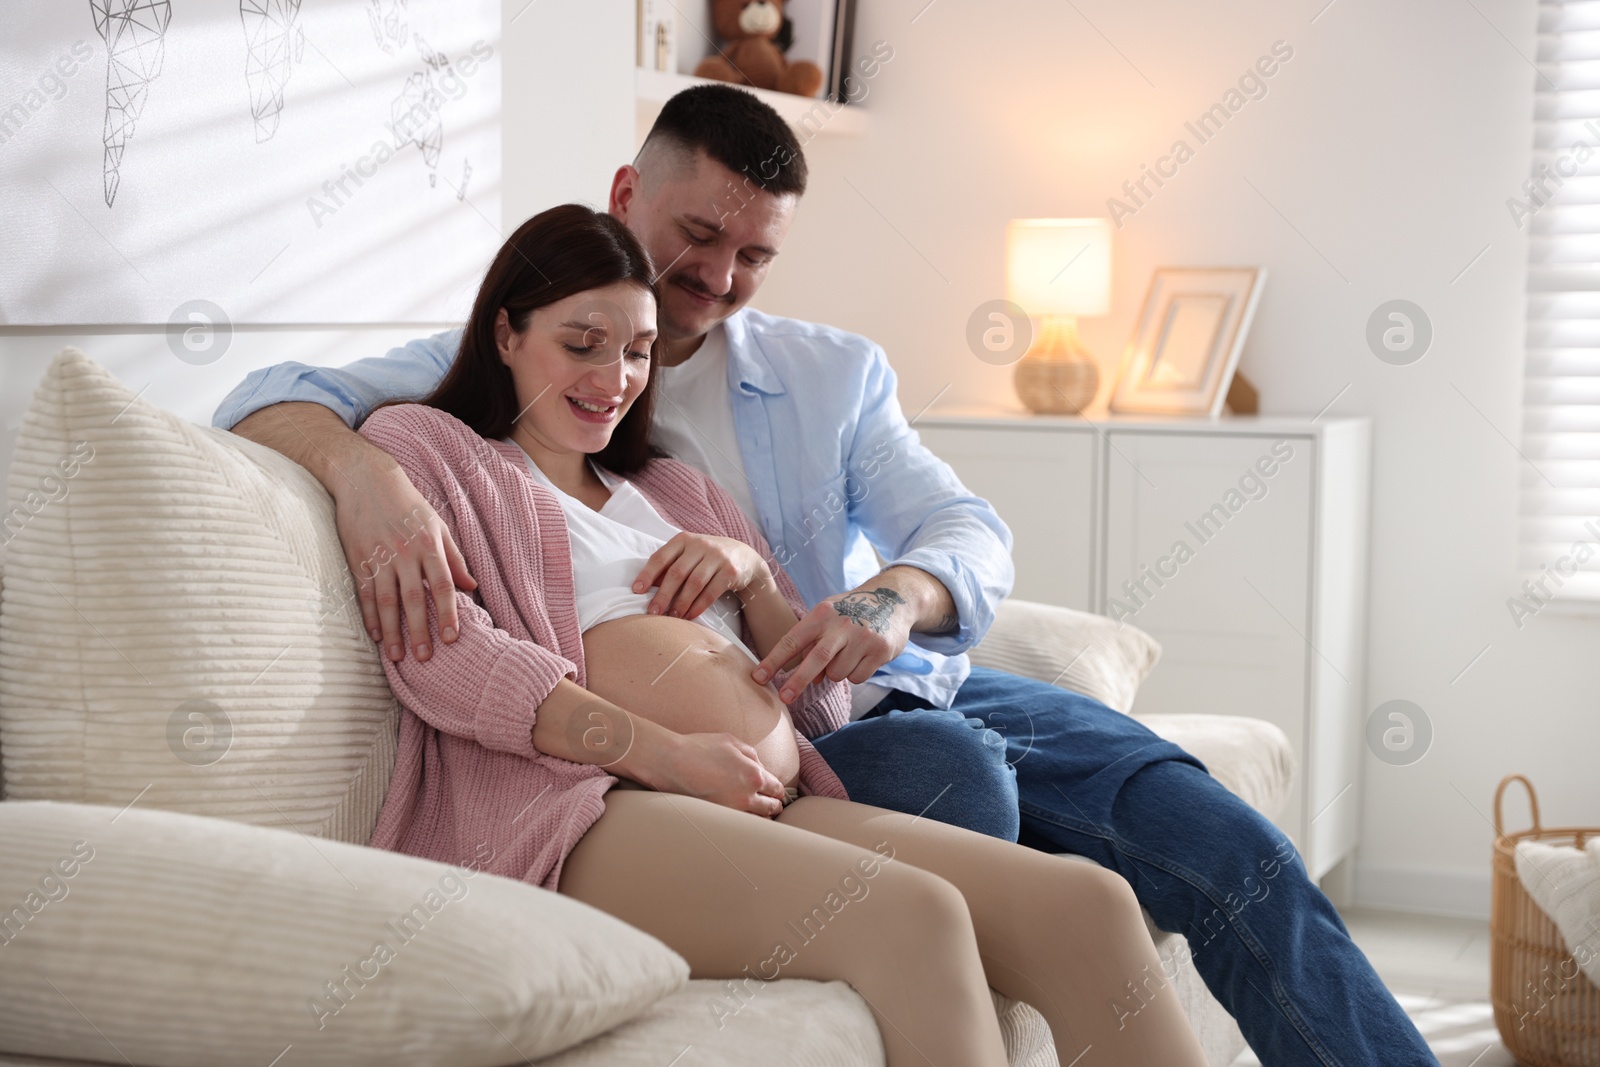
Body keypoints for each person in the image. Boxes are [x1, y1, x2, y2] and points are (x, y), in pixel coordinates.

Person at [216, 85, 1438, 1065]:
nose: (716, 280)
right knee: (932, 860)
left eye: (752, 255)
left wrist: (832, 587)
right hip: (601, 793)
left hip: (857, 713)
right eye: (695, 236)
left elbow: (917, 574)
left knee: (1116, 896)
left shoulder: (741, 437)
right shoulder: (441, 430)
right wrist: (366, 479)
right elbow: (303, 453)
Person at [355, 201, 1210, 1067]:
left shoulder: (674, 489)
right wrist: (660, 753)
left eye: (640, 351)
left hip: (767, 800)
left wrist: (757, 578)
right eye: (583, 343)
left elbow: (828, 711)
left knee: (1088, 903)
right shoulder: (431, 449)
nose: (615, 377)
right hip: (584, 810)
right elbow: (449, 658)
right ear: (505, 333)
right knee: (916, 915)